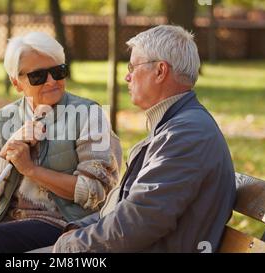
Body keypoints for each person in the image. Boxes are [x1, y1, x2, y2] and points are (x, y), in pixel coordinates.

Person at [51, 25, 236, 253]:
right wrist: (75, 231)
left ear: (160, 71)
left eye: (133, 66)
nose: (127, 76)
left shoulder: (187, 134)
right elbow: (123, 210)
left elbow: (137, 223)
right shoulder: (176, 125)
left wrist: (69, 246)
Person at [0, 32, 122, 253]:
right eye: (38, 76)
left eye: (58, 71)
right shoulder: (0, 121)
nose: (52, 81)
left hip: (66, 225)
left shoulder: (89, 115)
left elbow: (96, 192)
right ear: (16, 82)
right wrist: (6, 152)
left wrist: (30, 169)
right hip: (9, 225)